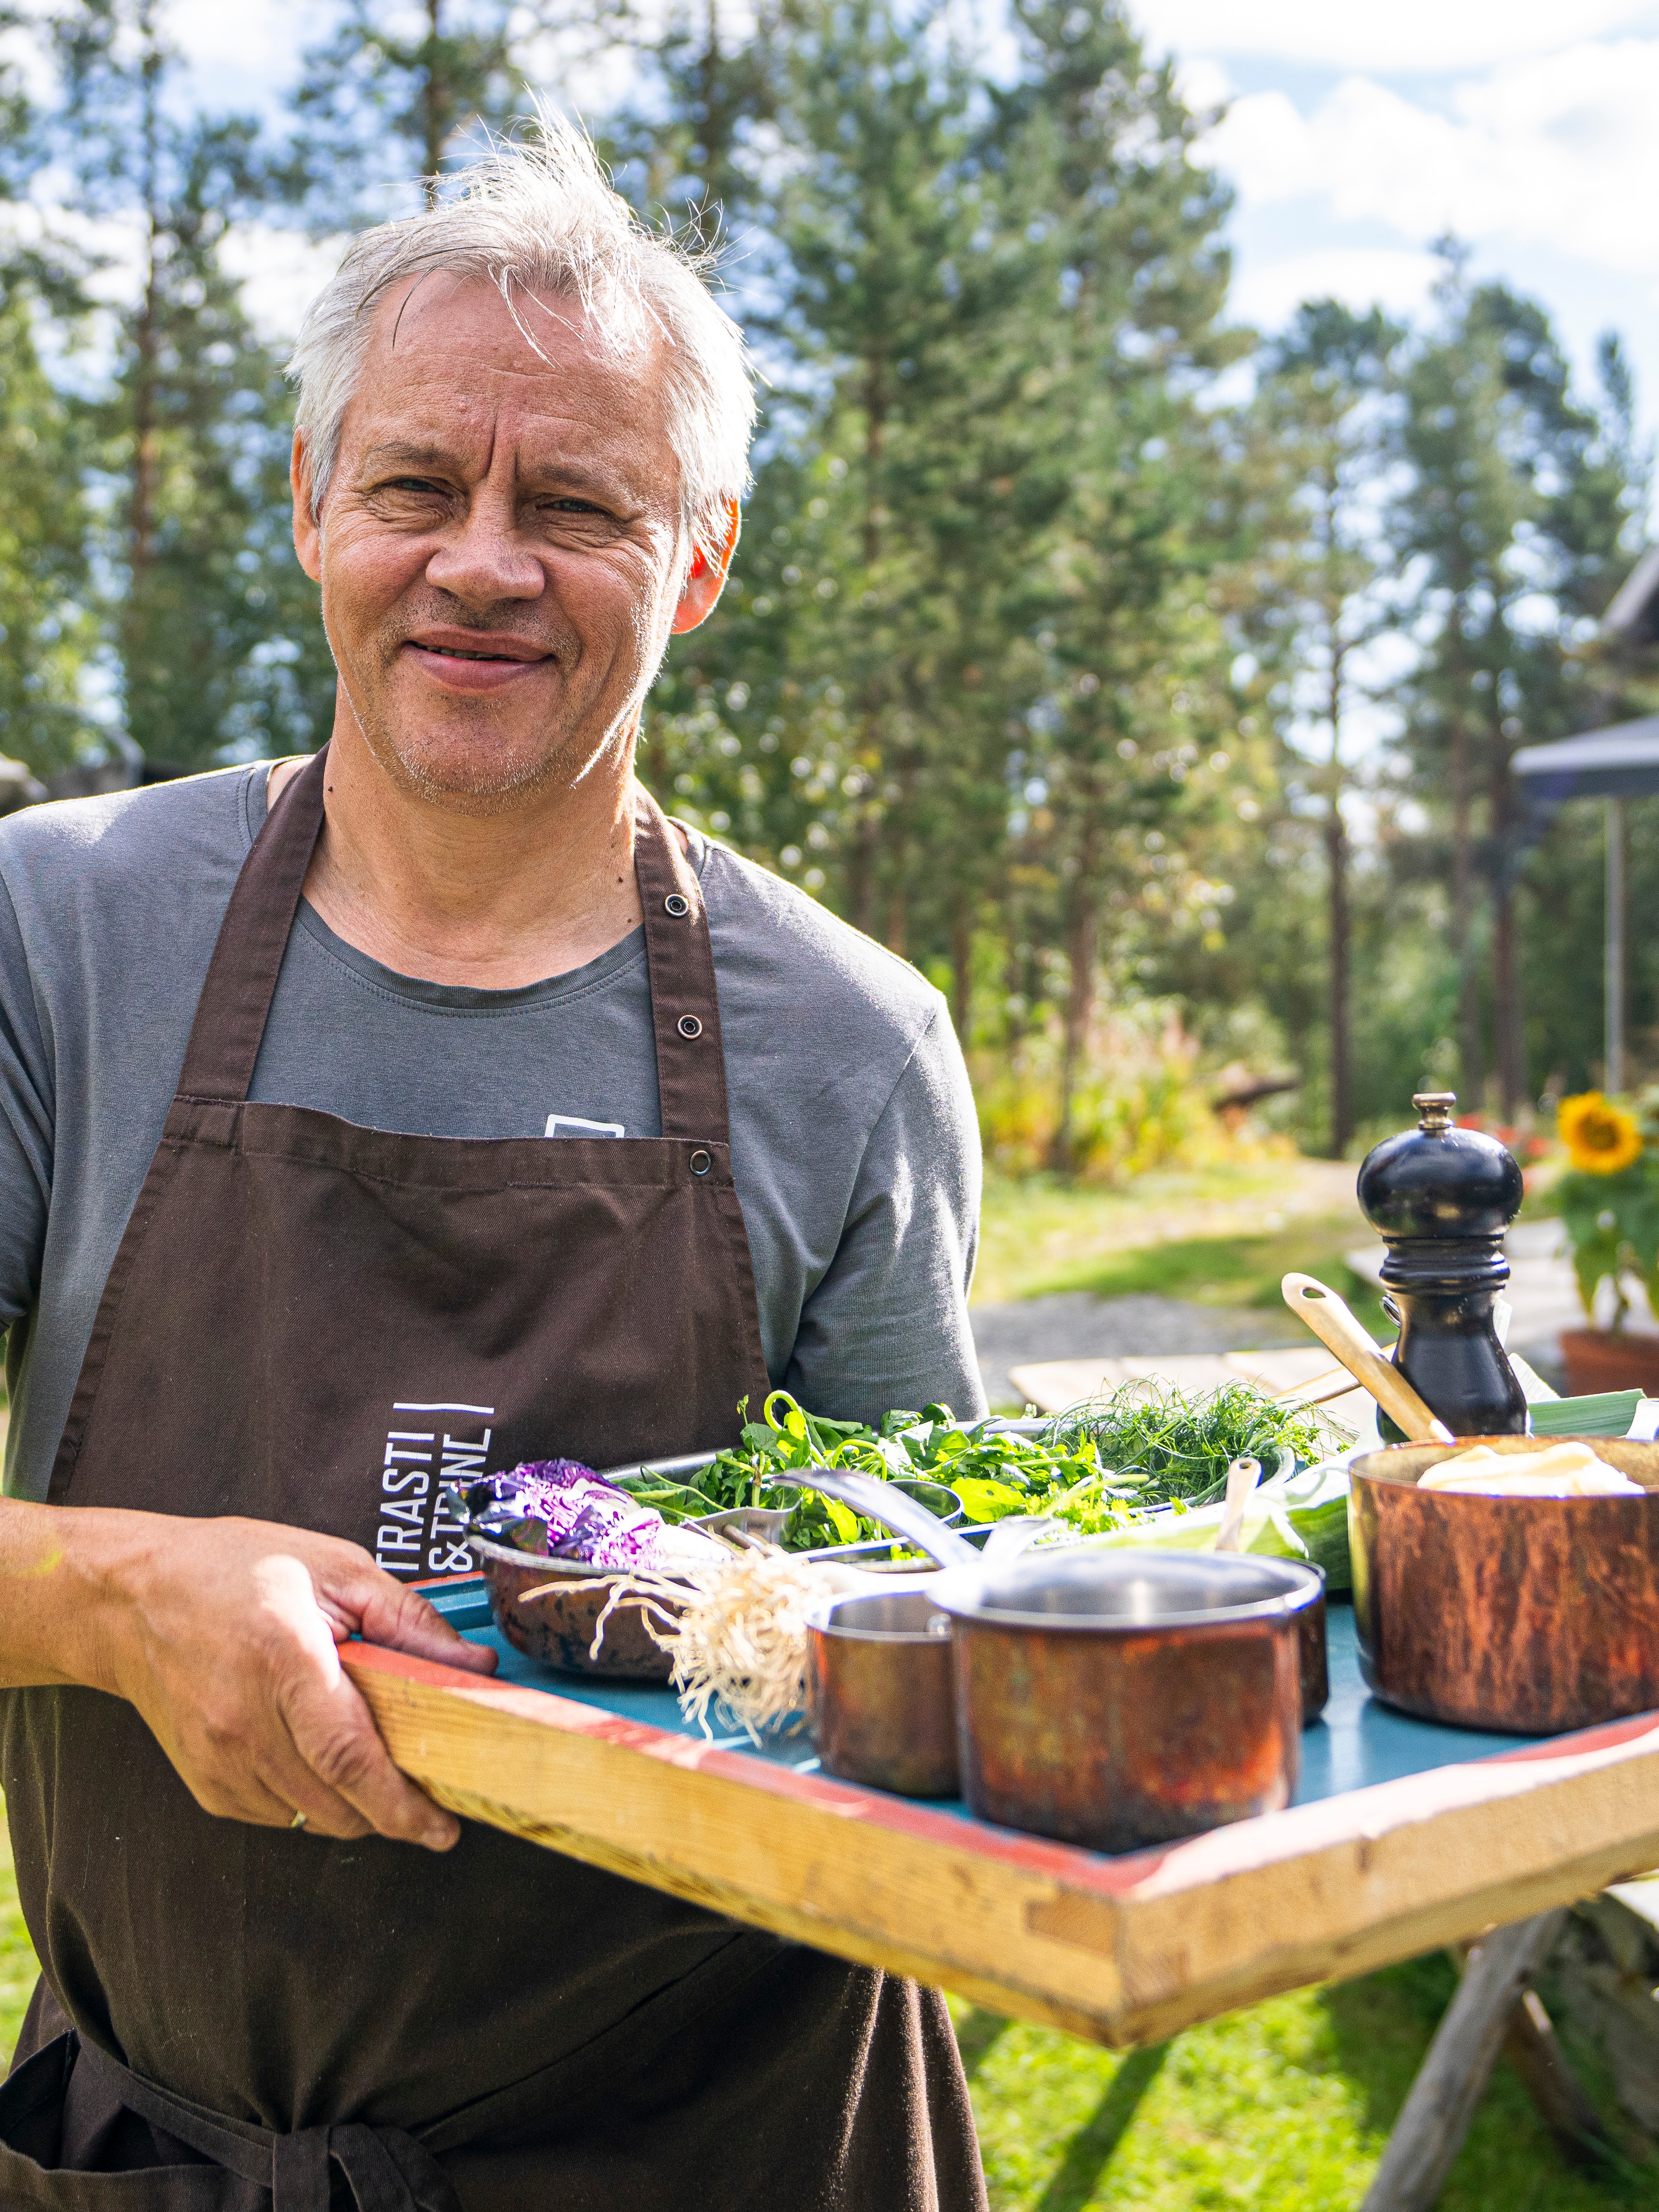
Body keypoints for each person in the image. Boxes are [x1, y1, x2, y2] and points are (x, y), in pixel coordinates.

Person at [0, 121, 987, 2210]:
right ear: (308, 508)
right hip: (170, 2146)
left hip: (723, 2142)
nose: (482, 561)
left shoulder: (851, 1038)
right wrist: (111, 1589)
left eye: (577, 504)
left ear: (700, 560)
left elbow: (938, 1651)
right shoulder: (62, 933)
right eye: (416, 485)